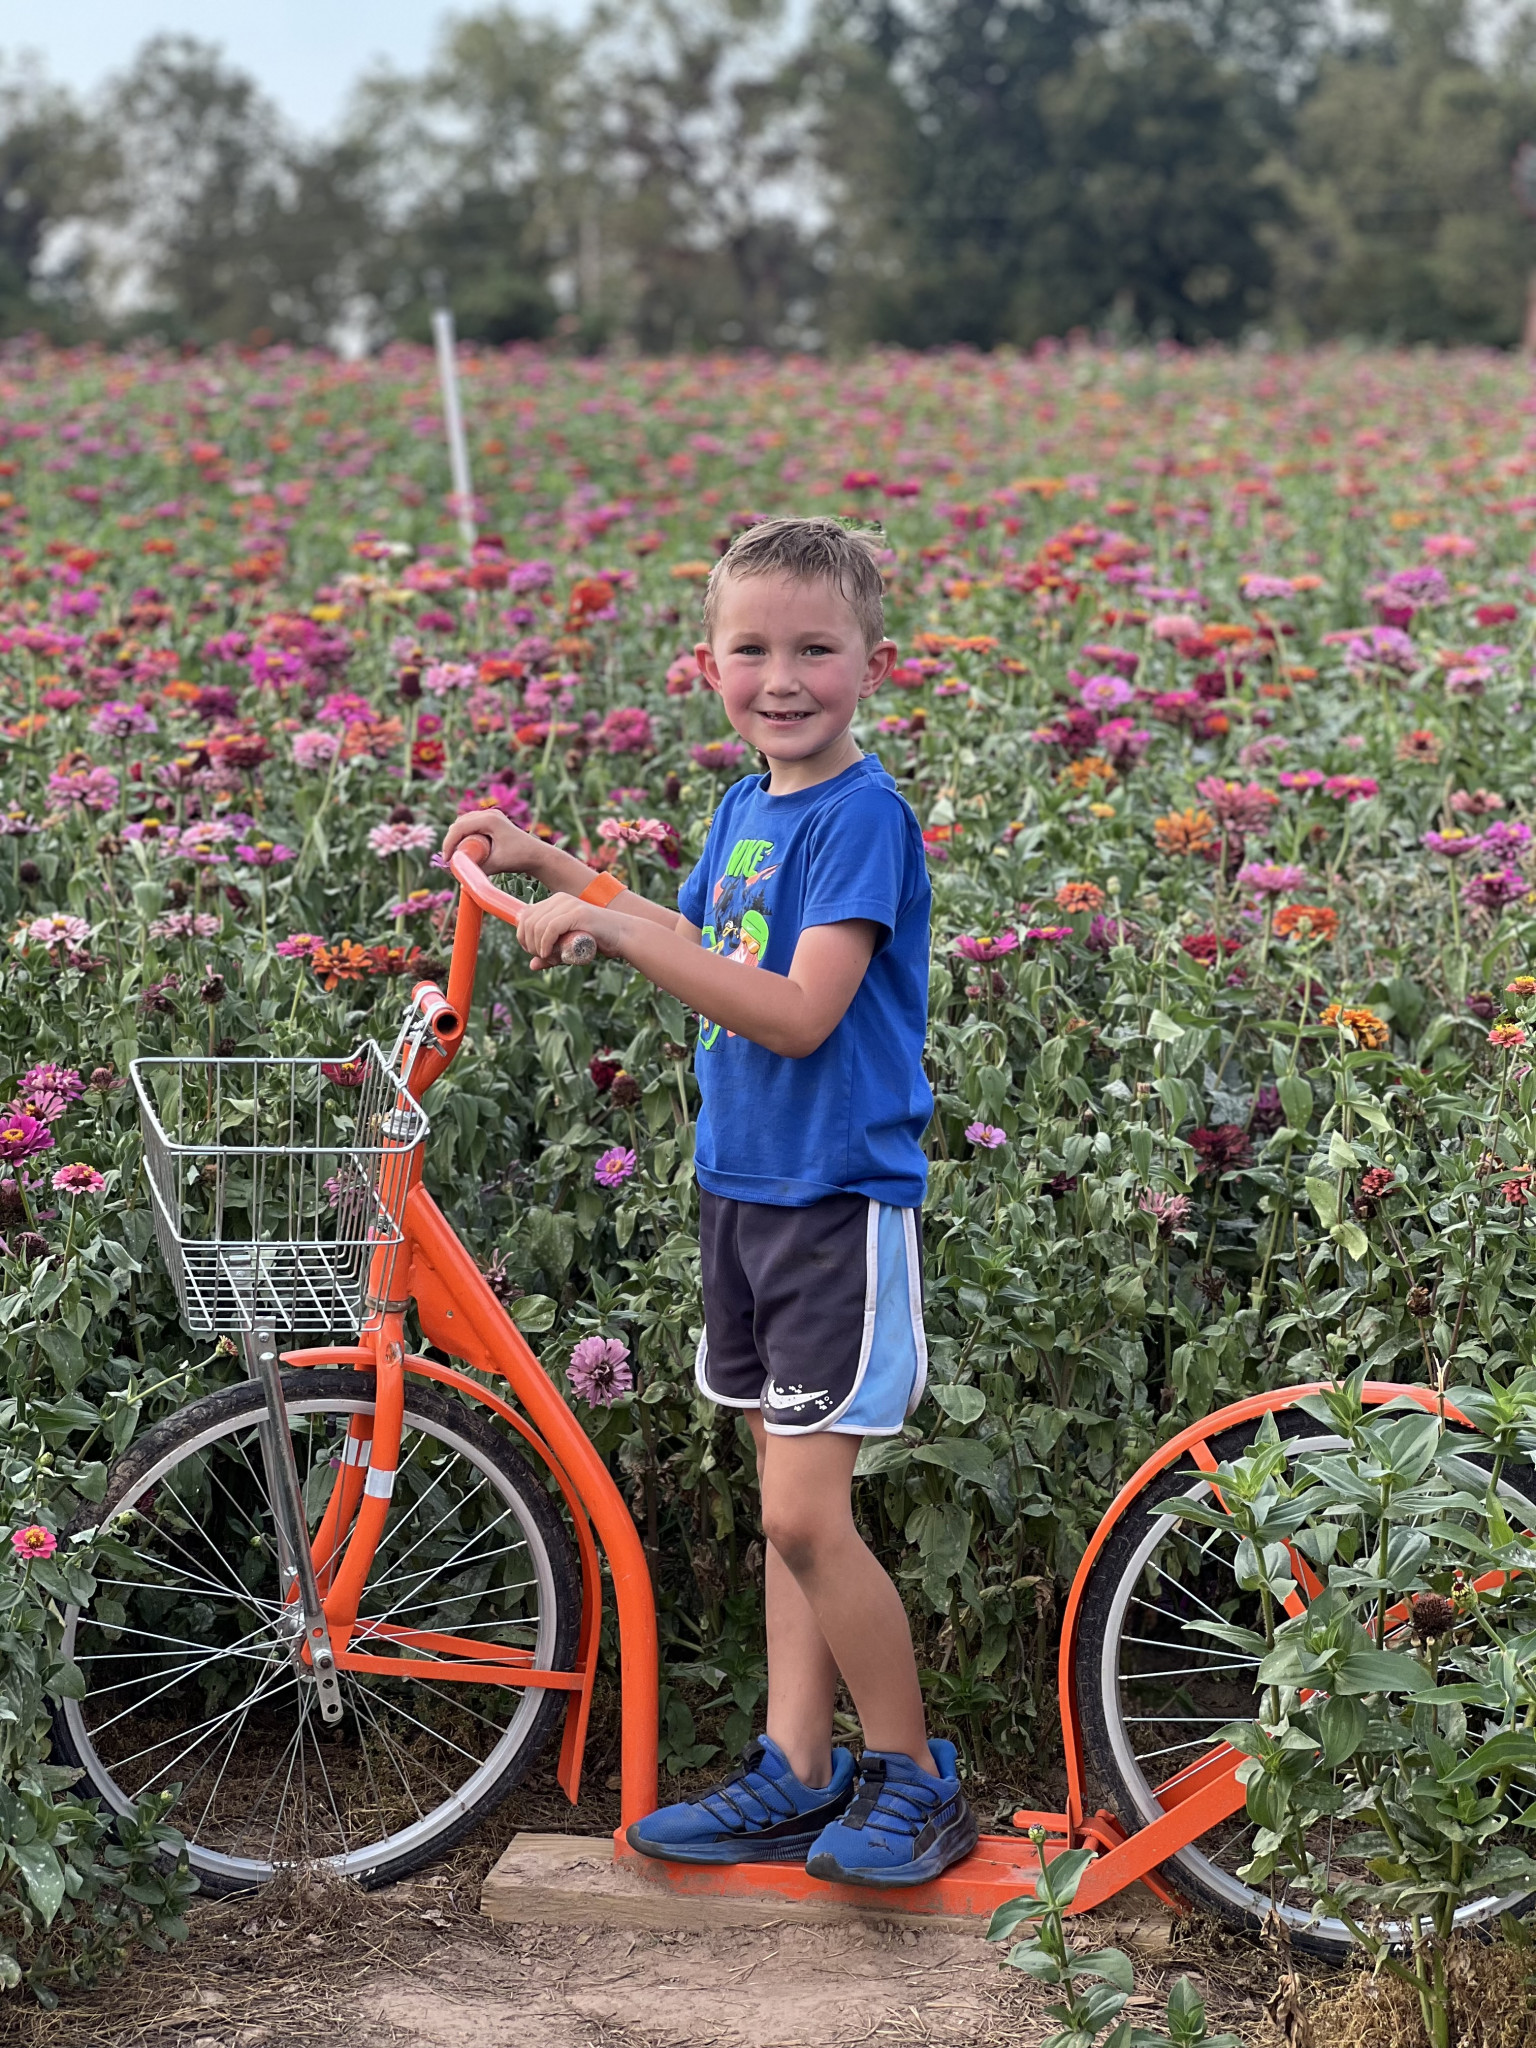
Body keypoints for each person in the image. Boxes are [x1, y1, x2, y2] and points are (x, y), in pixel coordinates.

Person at [442, 516, 977, 1887]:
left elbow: (796, 1012)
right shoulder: (749, 810)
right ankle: (795, 1769)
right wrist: (556, 869)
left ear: (874, 665)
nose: (782, 678)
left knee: (805, 1516)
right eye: (753, 650)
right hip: (744, 1191)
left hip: (833, 1201)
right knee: (782, 1505)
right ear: (709, 664)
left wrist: (611, 936)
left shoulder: (860, 820)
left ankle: (914, 1776)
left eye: (815, 649)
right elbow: (698, 940)